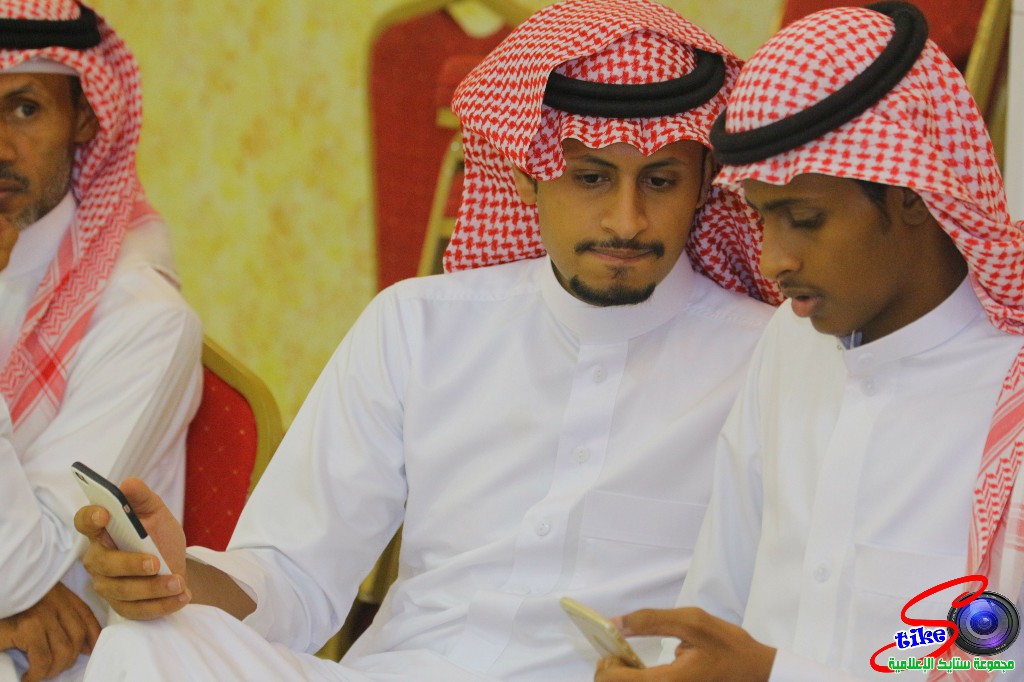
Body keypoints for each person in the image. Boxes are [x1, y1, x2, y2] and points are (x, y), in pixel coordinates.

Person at [74, 0, 779, 680]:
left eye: (660, 181)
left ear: (704, 181)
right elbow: (293, 579)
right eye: (591, 177)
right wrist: (178, 579)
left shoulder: (766, 360)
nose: (626, 220)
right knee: (150, 646)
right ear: (525, 174)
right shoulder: (417, 326)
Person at [595, 2, 1024, 681]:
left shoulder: (1011, 393)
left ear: (912, 196)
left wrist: (771, 674)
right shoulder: (790, 343)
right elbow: (720, 591)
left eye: (803, 218)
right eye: (763, 219)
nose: (773, 261)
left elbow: (996, 661)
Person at [0, 2, 203, 681]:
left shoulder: (142, 319)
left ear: (86, 117)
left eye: (24, 109)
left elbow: (13, 572)